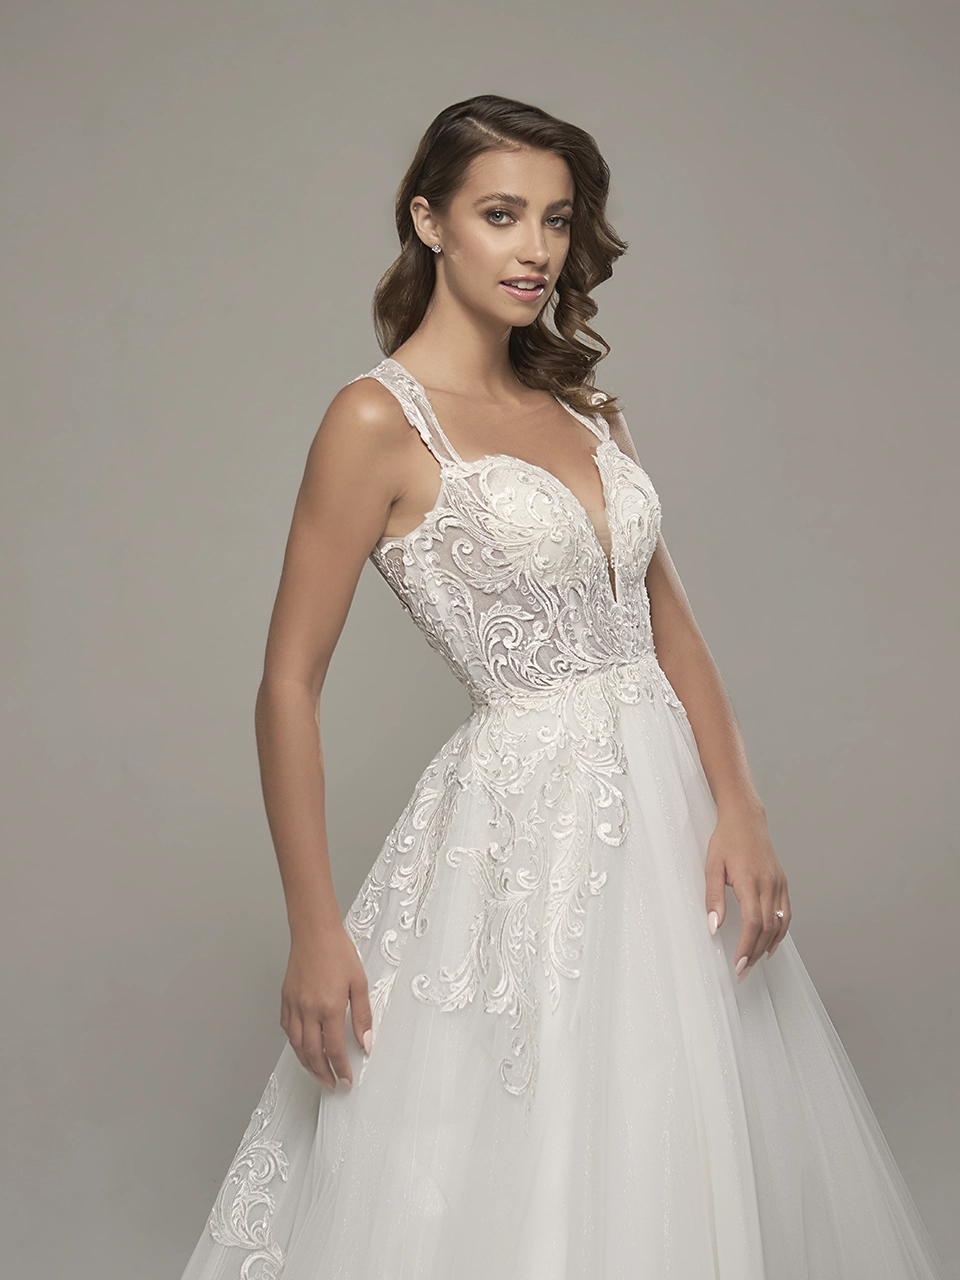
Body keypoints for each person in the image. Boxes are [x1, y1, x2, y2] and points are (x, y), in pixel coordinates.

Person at [177, 94, 947, 1279]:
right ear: (429, 221)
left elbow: (670, 629)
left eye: (555, 218)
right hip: (523, 825)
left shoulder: (589, 409)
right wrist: (315, 928)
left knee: (674, 1127)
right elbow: (288, 682)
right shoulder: (376, 421)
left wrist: (741, 809)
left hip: (670, 822)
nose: (535, 247)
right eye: (500, 214)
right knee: (518, 1144)